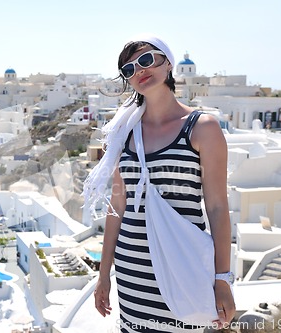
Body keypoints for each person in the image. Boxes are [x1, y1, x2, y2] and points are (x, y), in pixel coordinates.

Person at [86, 34, 235, 332]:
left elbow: (217, 208)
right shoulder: (122, 134)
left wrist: (223, 278)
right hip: (132, 273)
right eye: (128, 69)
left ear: (168, 64)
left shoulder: (202, 127)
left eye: (146, 59)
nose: (138, 70)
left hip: (183, 268)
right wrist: (104, 275)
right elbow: (117, 208)